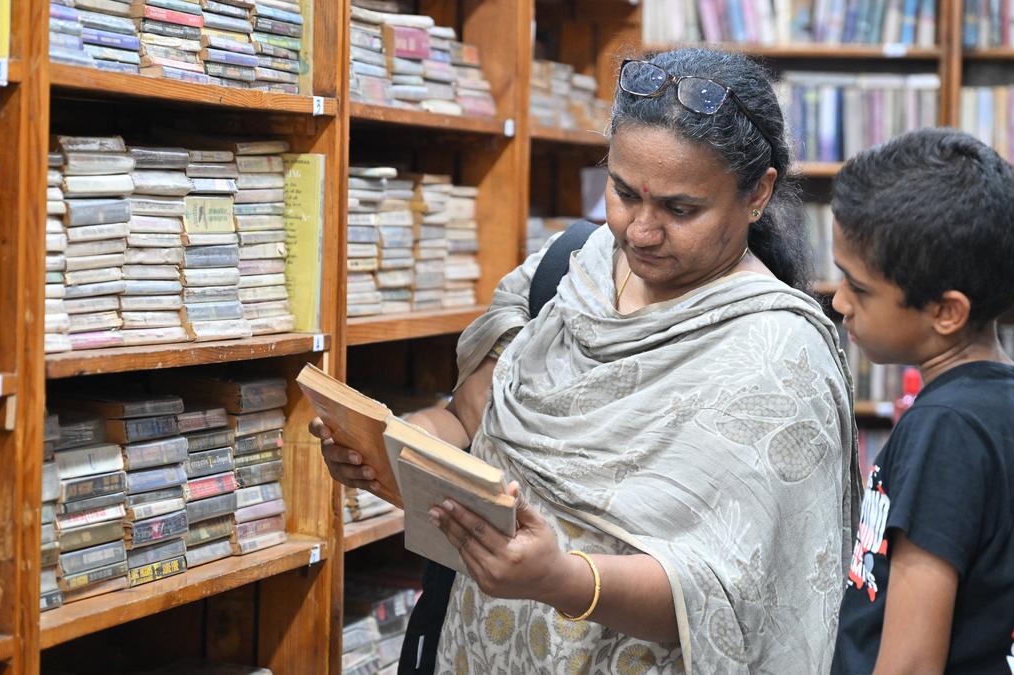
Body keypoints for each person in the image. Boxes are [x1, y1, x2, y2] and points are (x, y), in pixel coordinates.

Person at [315, 48, 860, 673]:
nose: (641, 232)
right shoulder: (570, 269)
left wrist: (562, 579)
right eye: (624, 193)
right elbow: (467, 422)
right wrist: (389, 448)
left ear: (757, 193)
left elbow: (738, 601)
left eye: (681, 210)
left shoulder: (778, 359)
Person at [830, 128, 1014, 674]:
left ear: (947, 312)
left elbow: (912, 664)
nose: (839, 301)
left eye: (860, 287)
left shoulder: (946, 429)